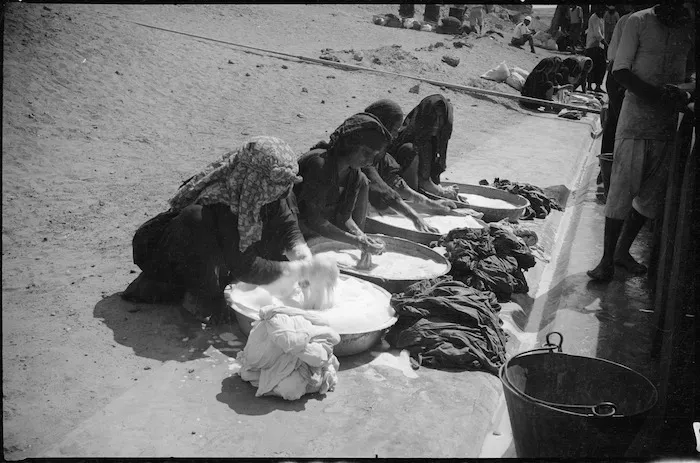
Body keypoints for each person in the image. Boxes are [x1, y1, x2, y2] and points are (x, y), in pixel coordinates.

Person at [122, 136, 334, 323]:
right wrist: (302, 271)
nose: (282, 191)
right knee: (194, 220)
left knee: (276, 258)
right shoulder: (224, 199)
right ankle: (201, 296)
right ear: (255, 179)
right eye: (277, 187)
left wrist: (303, 256)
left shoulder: (274, 185)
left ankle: (217, 283)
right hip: (174, 259)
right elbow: (244, 266)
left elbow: (288, 226)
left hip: (227, 252)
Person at [588, 2, 695, 282]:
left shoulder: (688, 29)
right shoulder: (637, 22)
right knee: (622, 192)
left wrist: (684, 92)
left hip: (667, 125)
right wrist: (659, 96)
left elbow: (689, 75)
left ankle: (621, 252)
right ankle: (606, 260)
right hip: (635, 121)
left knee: (650, 198)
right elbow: (620, 71)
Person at [293, 113, 389, 256]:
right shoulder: (320, 164)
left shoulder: (354, 174)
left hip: (317, 228)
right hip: (294, 229)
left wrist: (361, 236)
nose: (369, 161)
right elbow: (314, 219)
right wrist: (355, 241)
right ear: (350, 144)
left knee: (364, 181)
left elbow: (344, 217)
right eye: (365, 153)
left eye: (373, 156)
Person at [361, 99, 459, 234]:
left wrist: (431, 203)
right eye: (394, 129)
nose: (396, 135)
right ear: (381, 126)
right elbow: (383, 190)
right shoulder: (360, 153)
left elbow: (397, 184)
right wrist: (415, 218)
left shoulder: (381, 155)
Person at [598, 5, 640, 198]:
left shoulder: (627, 19)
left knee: (614, 123)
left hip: (618, 74)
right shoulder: (634, 20)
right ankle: (611, 176)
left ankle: (606, 172)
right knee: (619, 125)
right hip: (621, 76)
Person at [388, 94, 461, 201]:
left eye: (441, 118)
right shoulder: (410, 147)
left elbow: (431, 179)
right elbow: (422, 183)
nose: (437, 123)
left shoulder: (432, 142)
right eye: (433, 117)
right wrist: (442, 192)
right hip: (404, 195)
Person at [585, 6, 608, 92]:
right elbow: (597, 33)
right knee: (592, 66)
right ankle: (590, 85)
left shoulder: (601, 19)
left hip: (599, 46)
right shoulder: (594, 18)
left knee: (601, 67)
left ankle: (598, 86)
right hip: (592, 46)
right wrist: (605, 43)